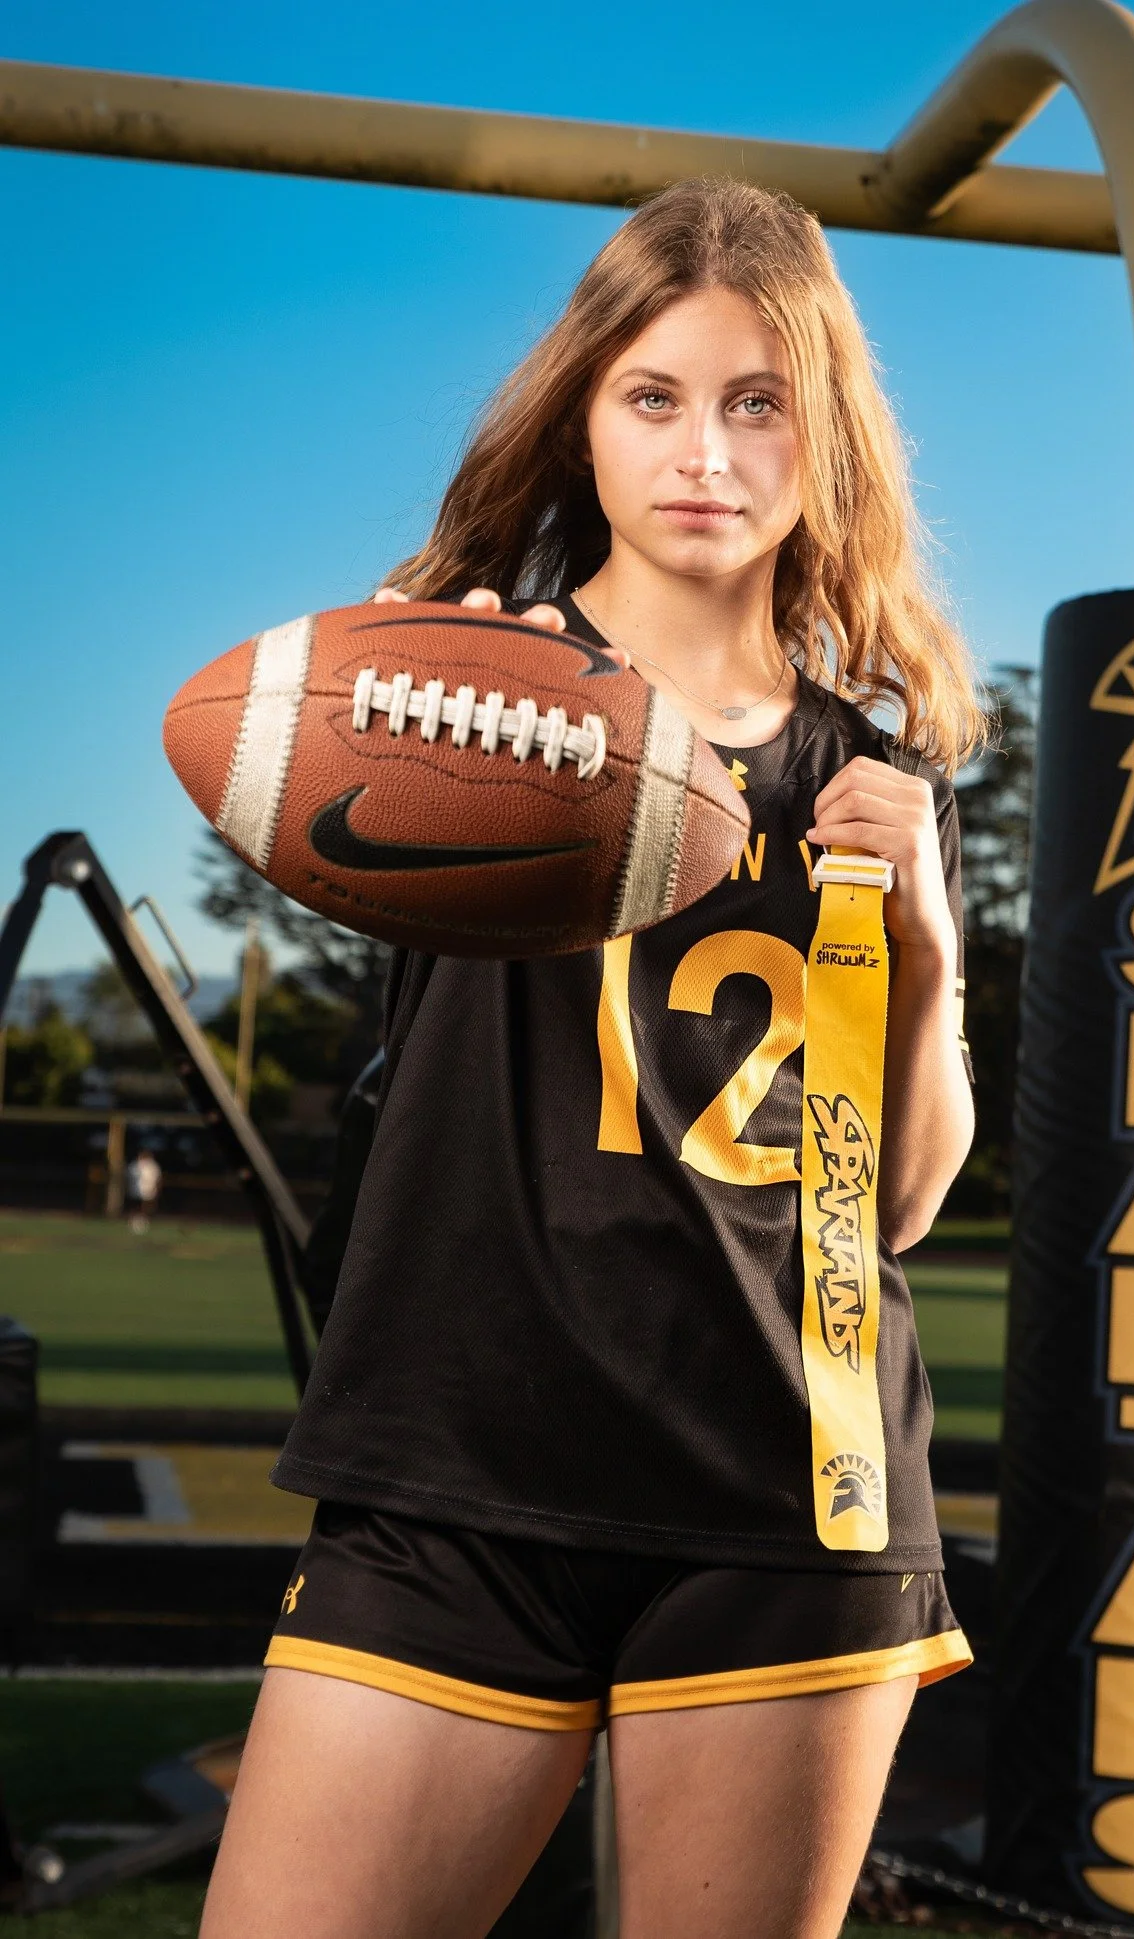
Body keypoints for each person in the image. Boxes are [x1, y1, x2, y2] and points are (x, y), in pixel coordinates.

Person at [201, 178, 985, 1939]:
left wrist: (926, 950)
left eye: (755, 400)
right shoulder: (470, 690)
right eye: (654, 396)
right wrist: (414, 678)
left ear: (823, 436)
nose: (704, 449)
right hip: (454, 1462)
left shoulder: (873, 783)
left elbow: (907, 1199)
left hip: (786, 1489)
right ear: (585, 416)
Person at [125, 1148, 161, 1235]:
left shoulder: (152, 1165)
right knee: (136, 1208)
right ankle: (134, 1223)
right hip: (136, 1191)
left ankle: (144, 1223)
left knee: (145, 1209)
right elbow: (128, 1178)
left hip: (148, 1191)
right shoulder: (135, 1165)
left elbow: (157, 1179)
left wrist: (156, 1189)